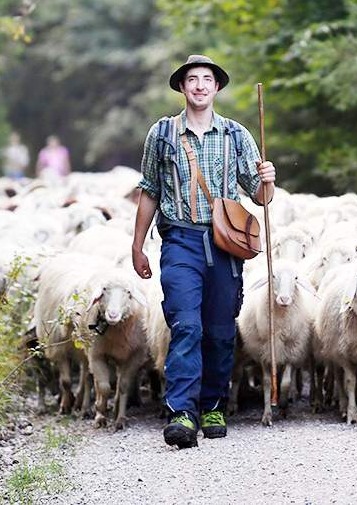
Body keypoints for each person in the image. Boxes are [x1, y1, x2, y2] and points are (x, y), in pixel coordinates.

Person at [131, 55, 276, 449]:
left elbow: (259, 196)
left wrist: (268, 180)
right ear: (181, 87)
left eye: (206, 79)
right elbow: (149, 190)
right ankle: (182, 411)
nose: (198, 86)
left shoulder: (236, 135)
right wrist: (138, 245)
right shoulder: (161, 134)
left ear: (216, 88)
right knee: (186, 324)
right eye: (191, 79)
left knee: (219, 329)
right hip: (179, 240)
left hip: (225, 242)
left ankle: (213, 403)